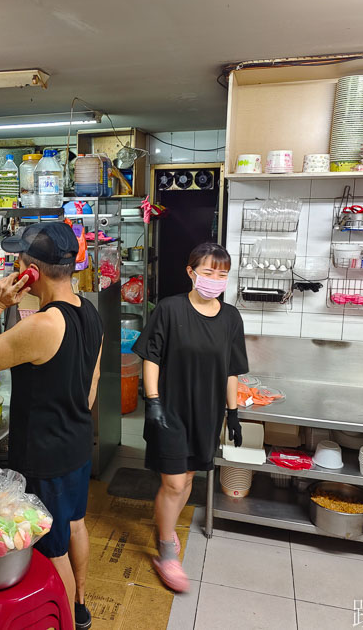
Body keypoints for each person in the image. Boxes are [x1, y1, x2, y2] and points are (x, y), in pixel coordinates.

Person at [0, 222, 103, 630]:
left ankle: (66, 622)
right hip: (75, 445)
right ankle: (80, 607)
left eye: (17, 261)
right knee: (75, 525)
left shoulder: (41, 326)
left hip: (45, 456)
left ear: (31, 273)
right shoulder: (89, 312)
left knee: (52, 549)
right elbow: (90, 386)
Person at [132, 242, 248, 593]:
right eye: (209, 272)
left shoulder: (230, 318)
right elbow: (151, 356)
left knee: (189, 477)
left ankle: (165, 527)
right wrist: (152, 401)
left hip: (207, 412)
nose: (215, 279)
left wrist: (233, 413)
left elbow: (231, 370)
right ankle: (167, 550)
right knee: (174, 483)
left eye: (222, 274)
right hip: (169, 410)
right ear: (191, 271)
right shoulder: (169, 309)